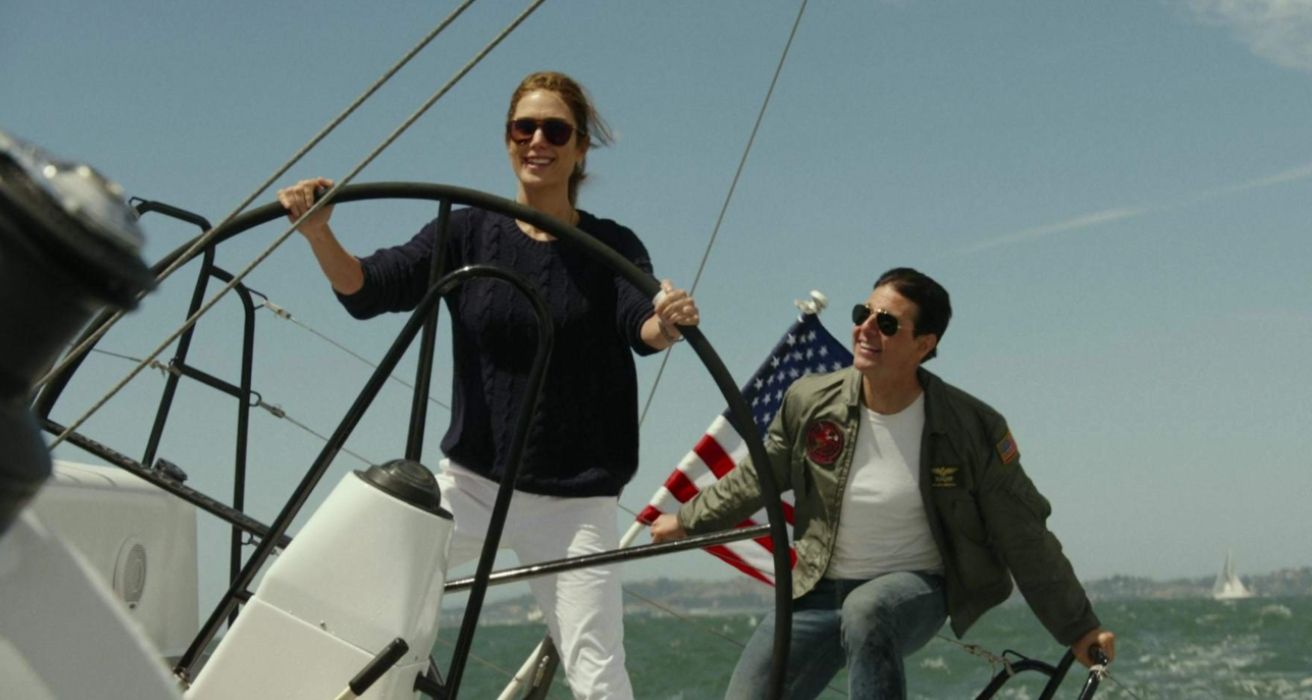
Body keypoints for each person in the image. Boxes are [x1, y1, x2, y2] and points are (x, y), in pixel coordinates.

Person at [279, 71, 697, 700]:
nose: (537, 141)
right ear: (507, 140)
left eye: (555, 130)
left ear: (580, 148)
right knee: (360, 591)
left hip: (575, 503)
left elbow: (638, 325)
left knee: (598, 671)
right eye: (522, 128)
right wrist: (319, 233)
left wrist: (666, 322)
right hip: (473, 484)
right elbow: (371, 288)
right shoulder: (469, 233)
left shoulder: (611, 246)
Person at [651, 267, 1114, 699]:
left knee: (867, 609)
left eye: (887, 323)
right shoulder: (809, 400)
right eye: (863, 314)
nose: (865, 328)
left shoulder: (972, 427)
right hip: (815, 589)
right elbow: (760, 476)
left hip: (915, 589)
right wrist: (689, 520)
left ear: (924, 344)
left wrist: (1079, 628)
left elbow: (1023, 530)